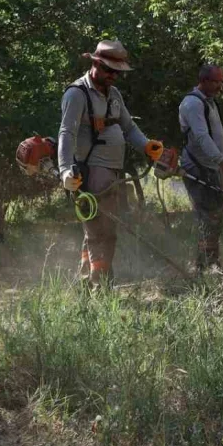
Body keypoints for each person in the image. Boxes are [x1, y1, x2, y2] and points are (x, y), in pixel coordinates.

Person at [57, 40, 164, 287]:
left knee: (96, 230)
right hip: (91, 172)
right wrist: (64, 170)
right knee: (103, 233)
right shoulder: (77, 94)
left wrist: (146, 145)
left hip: (113, 171)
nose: (113, 76)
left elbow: (128, 127)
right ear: (95, 64)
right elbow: (66, 134)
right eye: (109, 70)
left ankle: (86, 280)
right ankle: (101, 286)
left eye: (117, 72)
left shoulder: (113, 94)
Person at [179, 64, 223, 271]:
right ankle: (204, 267)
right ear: (204, 80)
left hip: (211, 167)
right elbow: (201, 137)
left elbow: (217, 136)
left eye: (222, 81)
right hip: (198, 168)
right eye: (216, 82)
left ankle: (211, 263)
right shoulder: (192, 103)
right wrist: (222, 162)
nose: (220, 86)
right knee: (207, 217)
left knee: (215, 218)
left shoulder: (210, 103)